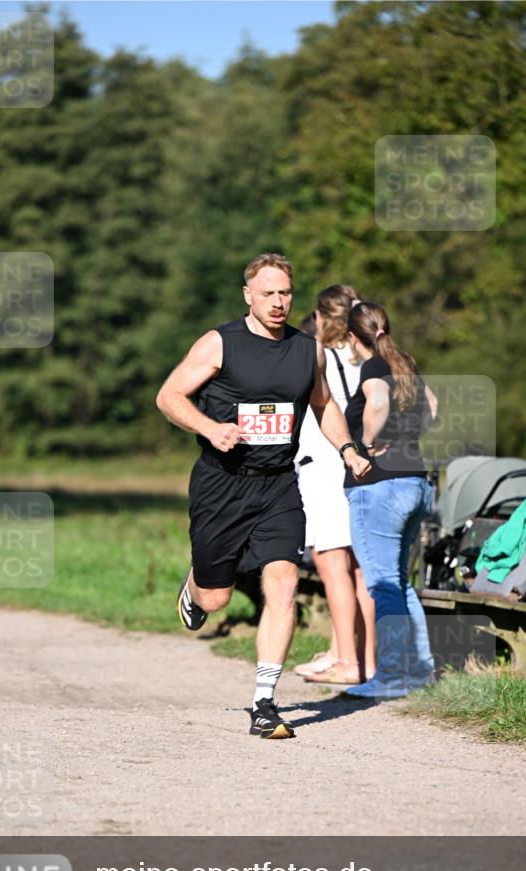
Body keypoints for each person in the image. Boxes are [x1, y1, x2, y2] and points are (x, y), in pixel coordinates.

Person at [155, 253, 371, 739]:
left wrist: (348, 450)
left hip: (278, 484)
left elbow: (324, 404)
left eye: (285, 293)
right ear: (248, 295)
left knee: (284, 583)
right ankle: (196, 586)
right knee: (216, 600)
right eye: (268, 293)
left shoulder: (306, 348)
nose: (278, 303)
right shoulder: (219, 343)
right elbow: (169, 397)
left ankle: (265, 703)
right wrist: (210, 428)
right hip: (222, 482)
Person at [341, 301, 438, 698]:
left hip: (378, 487)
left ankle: (391, 678)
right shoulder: (406, 364)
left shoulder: (374, 366)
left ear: (352, 337)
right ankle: (419, 672)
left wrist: (365, 443)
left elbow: (377, 402)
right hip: (415, 480)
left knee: (382, 584)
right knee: (400, 582)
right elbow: (433, 408)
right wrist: (407, 437)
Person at [293, 285, 376, 685]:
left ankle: (347, 662)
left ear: (322, 316)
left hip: (326, 465)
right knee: (361, 570)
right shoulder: (371, 357)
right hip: (363, 464)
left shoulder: (317, 355)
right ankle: (362, 659)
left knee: (332, 565)